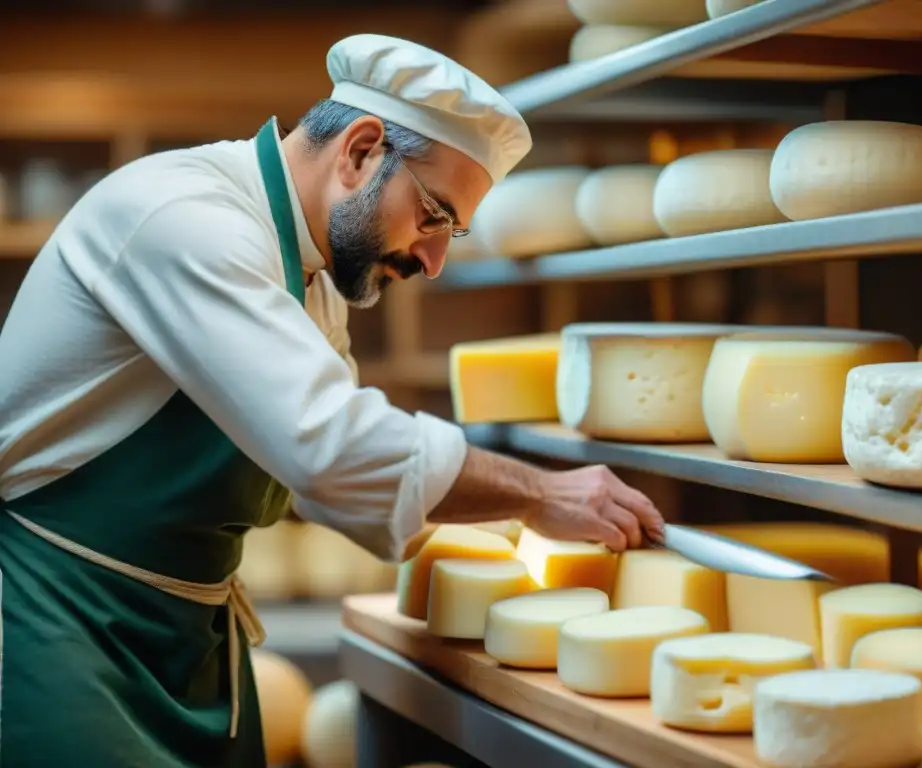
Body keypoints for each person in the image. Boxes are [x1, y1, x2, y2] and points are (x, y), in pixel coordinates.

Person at [0, 34, 664, 767]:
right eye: (435, 215)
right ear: (360, 150)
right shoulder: (184, 219)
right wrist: (536, 492)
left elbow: (326, 486)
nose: (434, 260)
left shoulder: (312, 282)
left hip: (184, 639)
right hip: (57, 623)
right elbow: (332, 446)